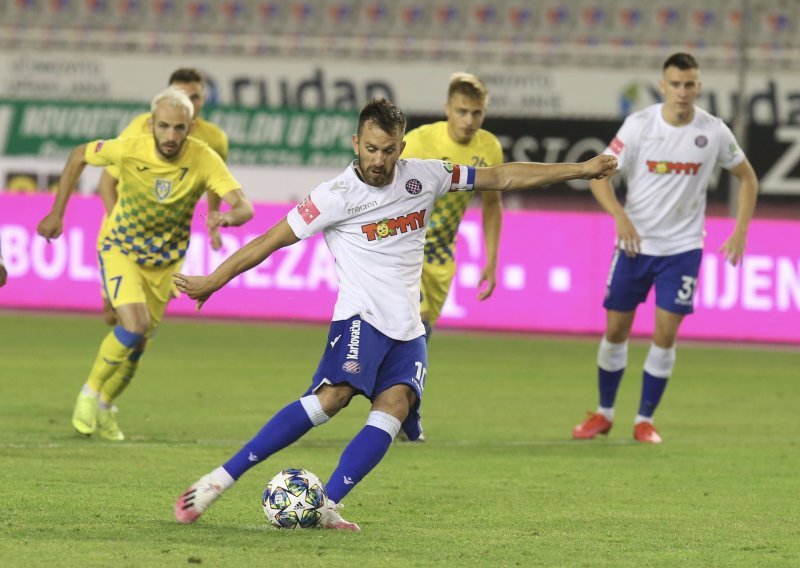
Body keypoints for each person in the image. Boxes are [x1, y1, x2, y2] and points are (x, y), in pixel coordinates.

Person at [172, 97, 617, 530]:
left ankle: (326, 504)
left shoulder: (427, 175)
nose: (379, 160)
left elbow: (501, 177)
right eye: (370, 149)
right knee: (335, 397)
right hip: (360, 317)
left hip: (407, 325)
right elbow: (268, 241)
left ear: (402, 147)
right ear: (355, 143)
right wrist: (214, 280)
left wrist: (581, 169)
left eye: (388, 150)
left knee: (396, 406)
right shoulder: (334, 196)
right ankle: (218, 480)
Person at [37, 87, 253, 442]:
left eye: (179, 128)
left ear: (190, 127)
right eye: (164, 126)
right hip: (120, 246)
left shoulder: (204, 157)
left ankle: (106, 406)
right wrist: (56, 213)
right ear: (152, 124)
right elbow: (78, 155)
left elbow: (244, 206)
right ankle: (88, 394)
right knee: (133, 324)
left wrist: (226, 219)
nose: (170, 136)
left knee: (138, 346)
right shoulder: (130, 146)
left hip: (165, 264)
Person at [571, 53, 758, 444]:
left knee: (665, 335)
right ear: (663, 86)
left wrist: (740, 230)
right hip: (635, 246)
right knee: (616, 330)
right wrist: (619, 216)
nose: (683, 91)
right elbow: (598, 175)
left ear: (699, 86)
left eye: (690, 84)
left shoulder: (715, 132)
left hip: (683, 248)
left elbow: (747, 178)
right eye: (676, 84)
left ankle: (644, 420)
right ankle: (604, 413)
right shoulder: (640, 126)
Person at [398, 72, 503, 442]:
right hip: (404, 248)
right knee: (413, 328)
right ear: (447, 109)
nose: (469, 120)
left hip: (442, 255)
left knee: (421, 337)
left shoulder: (489, 148)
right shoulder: (419, 141)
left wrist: (491, 259)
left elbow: (493, 205)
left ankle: (404, 409)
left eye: (476, 113)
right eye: (462, 111)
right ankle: (403, 414)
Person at [99, 67, 229, 328]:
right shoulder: (140, 129)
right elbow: (107, 181)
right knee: (112, 315)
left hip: (168, 240)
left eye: (196, 97)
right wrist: (119, 223)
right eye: (183, 96)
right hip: (124, 234)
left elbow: (215, 185)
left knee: (145, 321)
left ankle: (129, 352)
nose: (190, 103)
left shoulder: (214, 139)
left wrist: (213, 221)